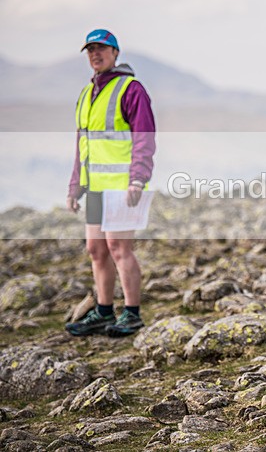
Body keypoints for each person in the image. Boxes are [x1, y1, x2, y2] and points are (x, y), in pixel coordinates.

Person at [65, 29, 156, 337]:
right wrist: (75, 186)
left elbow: (144, 138)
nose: (95, 54)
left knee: (119, 247)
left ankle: (132, 314)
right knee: (96, 249)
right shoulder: (86, 94)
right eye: (90, 49)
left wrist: (138, 179)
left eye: (102, 48)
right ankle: (104, 311)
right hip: (96, 187)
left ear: (115, 53)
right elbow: (82, 145)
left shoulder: (131, 89)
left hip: (122, 185)